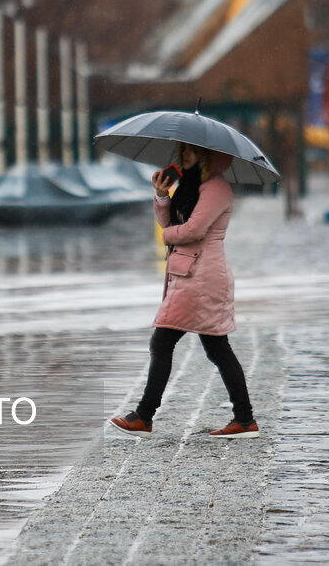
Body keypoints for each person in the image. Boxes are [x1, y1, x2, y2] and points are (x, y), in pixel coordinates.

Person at [109, 143, 258, 439]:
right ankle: (243, 419)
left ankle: (144, 416)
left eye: (190, 151)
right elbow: (174, 223)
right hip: (191, 273)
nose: (183, 156)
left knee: (163, 341)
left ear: (208, 156)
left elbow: (193, 231)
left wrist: (167, 236)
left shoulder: (215, 188)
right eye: (182, 151)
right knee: (217, 348)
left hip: (202, 277)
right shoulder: (191, 185)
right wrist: (163, 196)